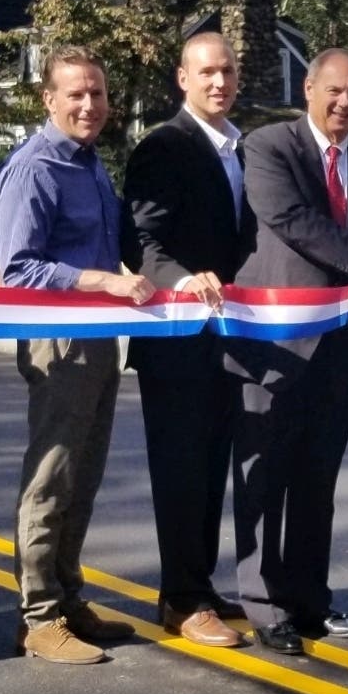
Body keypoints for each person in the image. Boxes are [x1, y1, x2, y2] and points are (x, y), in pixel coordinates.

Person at [225, 48, 348, 655]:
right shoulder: (269, 146)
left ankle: (310, 597)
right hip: (274, 342)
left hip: (339, 346)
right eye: (335, 91)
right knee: (264, 476)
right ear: (309, 88)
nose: (345, 104)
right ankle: (262, 601)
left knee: (317, 478)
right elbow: (292, 219)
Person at [0, 45, 154, 665]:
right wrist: (103, 281)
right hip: (58, 339)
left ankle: (66, 598)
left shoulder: (88, 163)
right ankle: (36, 616)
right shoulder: (35, 167)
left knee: (83, 476)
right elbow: (17, 269)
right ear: (49, 99)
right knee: (51, 478)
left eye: (98, 93)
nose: (89, 105)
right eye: (76, 94)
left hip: (97, 338)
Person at [122, 33, 248, 648]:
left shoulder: (240, 149)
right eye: (207, 74)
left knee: (211, 467)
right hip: (175, 337)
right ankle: (181, 599)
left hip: (228, 336)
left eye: (227, 72)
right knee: (180, 469)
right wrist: (181, 280)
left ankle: (197, 583)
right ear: (183, 78)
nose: (219, 83)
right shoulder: (163, 145)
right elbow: (145, 243)